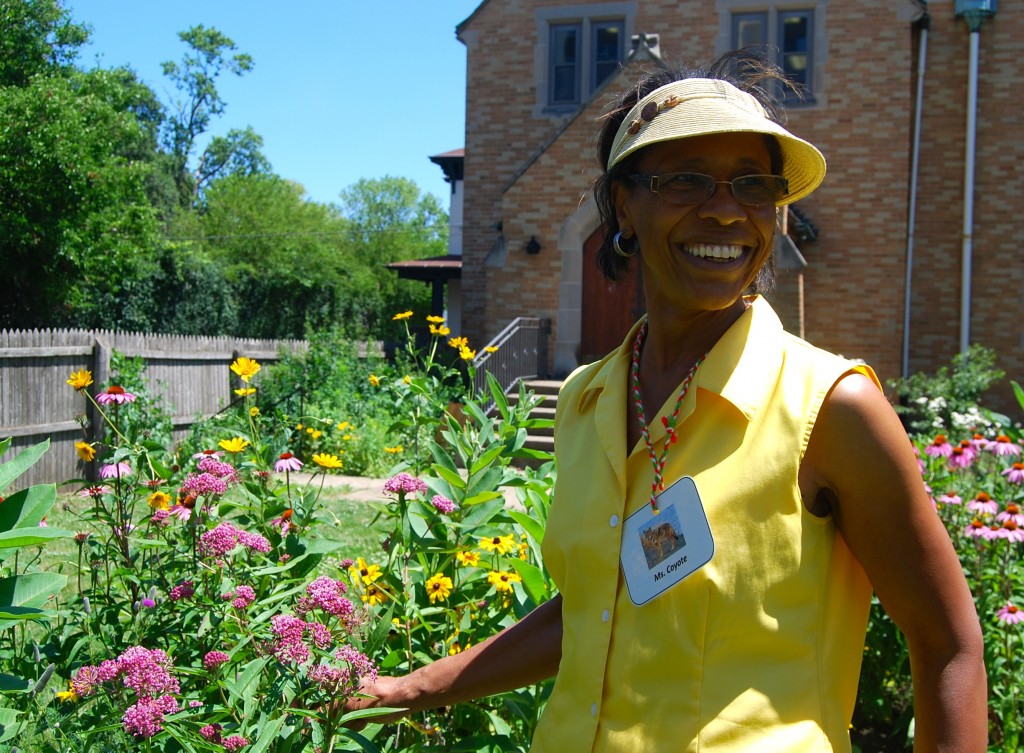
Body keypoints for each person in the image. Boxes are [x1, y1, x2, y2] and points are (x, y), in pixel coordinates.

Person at [347, 51, 987, 752]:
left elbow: (949, 645)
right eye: (686, 180)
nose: (725, 208)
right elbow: (600, 607)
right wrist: (409, 688)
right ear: (625, 204)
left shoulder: (831, 409)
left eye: (753, 183)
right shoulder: (587, 400)